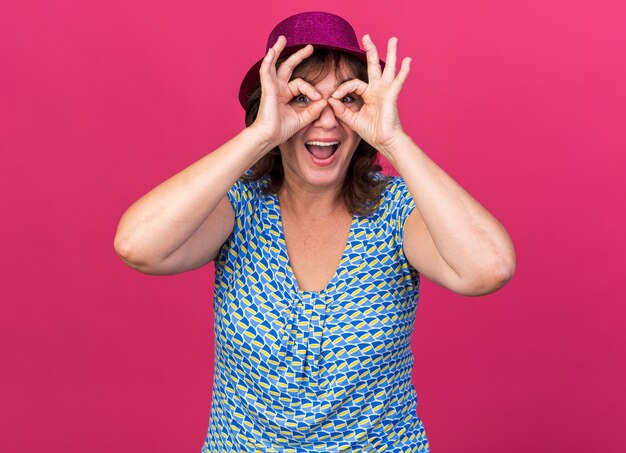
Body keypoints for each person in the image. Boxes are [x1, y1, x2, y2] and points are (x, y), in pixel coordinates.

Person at [114, 11, 516, 453]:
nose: (326, 122)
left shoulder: (396, 211)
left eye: (346, 100)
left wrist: (395, 140)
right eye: (302, 99)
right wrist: (259, 136)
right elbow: (138, 246)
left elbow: (488, 268)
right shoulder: (237, 207)